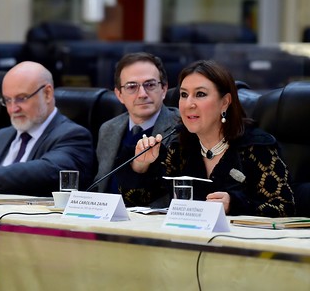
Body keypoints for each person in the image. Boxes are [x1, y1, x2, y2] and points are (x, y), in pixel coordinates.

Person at [119, 60, 295, 217]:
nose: (189, 104)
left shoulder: (256, 146)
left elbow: (284, 208)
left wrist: (234, 204)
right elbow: (137, 200)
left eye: (200, 94)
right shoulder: (180, 146)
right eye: (184, 95)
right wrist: (141, 166)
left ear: (225, 102)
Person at [0, 61, 95, 196]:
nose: (13, 108)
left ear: (47, 94)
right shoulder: (1, 136)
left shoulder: (73, 136)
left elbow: (46, 171)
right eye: (7, 100)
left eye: (21, 98)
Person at [94, 52, 180, 207]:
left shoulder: (180, 127)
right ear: (119, 95)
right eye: (132, 86)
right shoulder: (108, 129)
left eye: (150, 85)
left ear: (164, 89)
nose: (142, 94)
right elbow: (99, 186)